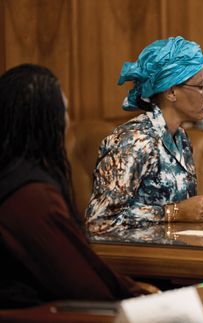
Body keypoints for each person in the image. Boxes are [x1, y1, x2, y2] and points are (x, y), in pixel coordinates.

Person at [0, 64, 155, 309]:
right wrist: (140, 299)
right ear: (47, 123)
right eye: (65, 112)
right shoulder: (31, 196)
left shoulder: (15, 178)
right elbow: (83, 286)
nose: (68, 122)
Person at [85, 36, 203, 235]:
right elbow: (98, 221)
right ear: (172, 92)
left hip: (175, 252)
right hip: (134, 260)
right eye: (202, 86)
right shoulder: (133, 141)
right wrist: (172, 212)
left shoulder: (180, 137)